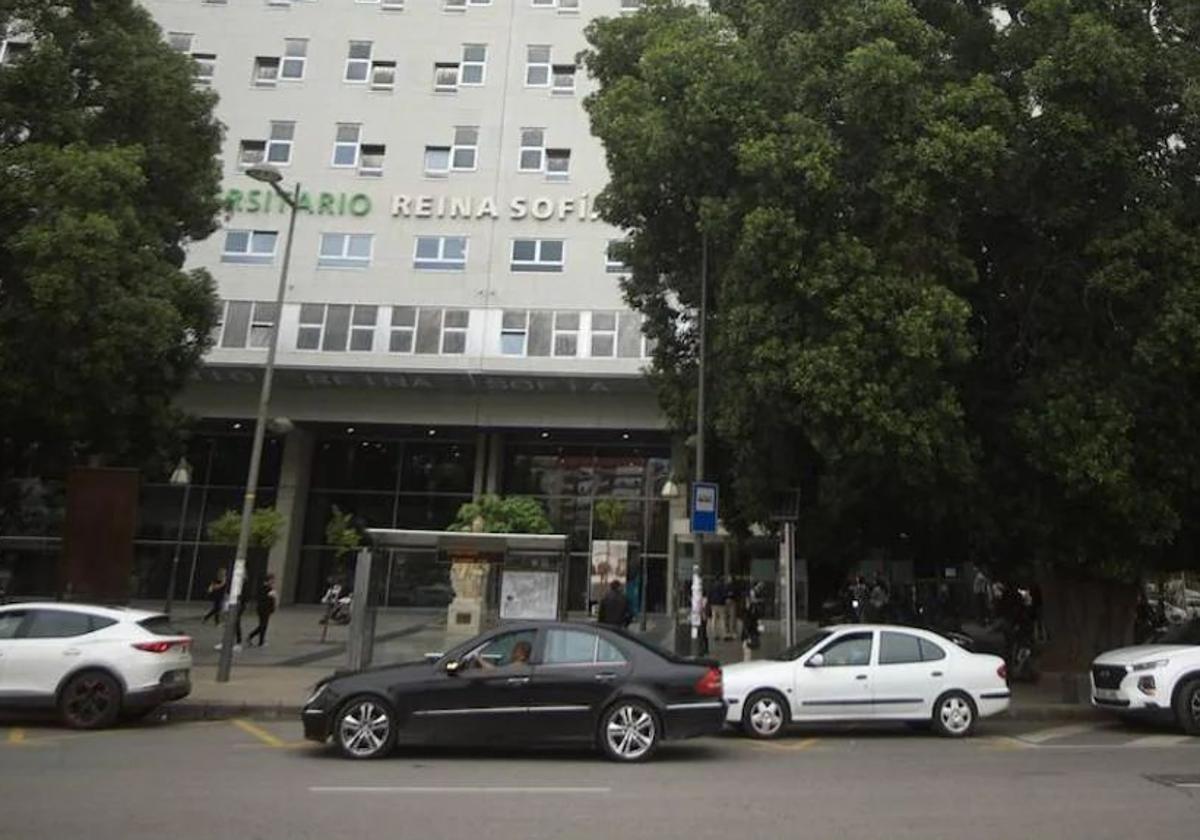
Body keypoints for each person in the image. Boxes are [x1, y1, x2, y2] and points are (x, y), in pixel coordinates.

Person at [247, 573, 278, 647]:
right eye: (272, 580)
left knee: (263, 625)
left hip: (267, 609)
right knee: (263, 625)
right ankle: (253, 637)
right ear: (268, 580)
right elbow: (265, 598)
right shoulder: (265, 588)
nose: (273, 581)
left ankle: (259, 640)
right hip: (263, 609)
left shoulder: (270, 588)